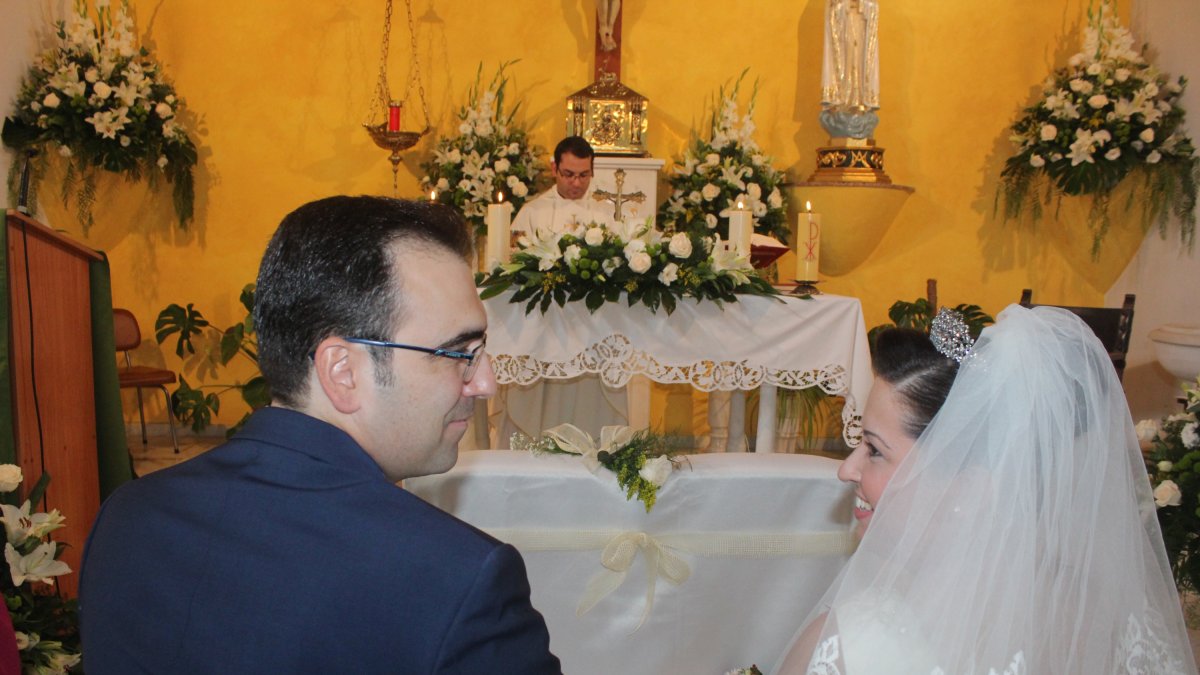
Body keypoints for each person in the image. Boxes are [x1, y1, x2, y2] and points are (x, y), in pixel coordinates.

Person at [79, 196, 562, 673]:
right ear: (344, 371)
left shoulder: (128, 513)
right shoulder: (460, 579)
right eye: (459, 352)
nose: (486, 382)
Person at [772, 305, 1197, 674]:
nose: (847, 470)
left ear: (971, 487)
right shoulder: (1102, 615)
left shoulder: (846, 646)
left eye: (874, 450)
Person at [510, 136, 613, 236]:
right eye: (569, 174)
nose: (576, 183)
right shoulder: (532, 212)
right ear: (554, 169)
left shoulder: (606, 213)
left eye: (583, 175)